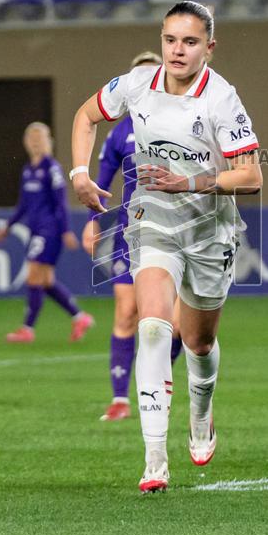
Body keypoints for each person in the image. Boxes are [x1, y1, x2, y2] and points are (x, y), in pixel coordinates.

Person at [70, 1, 263, 493]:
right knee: (152, 326)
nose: (178, 50)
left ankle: (201, 414)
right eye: (171, 40)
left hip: (208, 231)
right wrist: (79, 174)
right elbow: (85, 115)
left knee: (198, 342)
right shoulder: (138, 84)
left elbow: (252, 175)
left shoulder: (221, 99)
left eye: (190, 41)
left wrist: (189, 182)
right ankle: (155, 457)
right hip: (152, 220)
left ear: (209, 48)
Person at [81, 51, 184, 423]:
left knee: (176, 326)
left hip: (180, 230)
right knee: (127, 312)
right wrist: (92, 221)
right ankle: (121, 398)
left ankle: (156, 380)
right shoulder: (120, 132)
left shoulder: (183, 121)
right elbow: (101, 181)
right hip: (134, 231)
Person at [0, 122, 94, 344]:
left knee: (33, 275)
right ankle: (80, 317)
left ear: (48, 141)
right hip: (35, 229)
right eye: (31, 138)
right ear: (25, 142)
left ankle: (27, 329)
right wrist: (8, 225)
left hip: (49, 230)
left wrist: (66, 230)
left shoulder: (52, 168)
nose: (35, 142)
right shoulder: (28, 170)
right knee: (46, 281)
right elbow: (23, 204)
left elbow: (60, 202)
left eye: (39, 138)